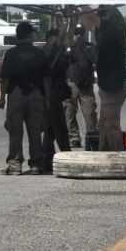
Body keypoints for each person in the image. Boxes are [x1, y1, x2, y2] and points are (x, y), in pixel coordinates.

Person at [0, 21, 49, 175]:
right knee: (35, 131)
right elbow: (46, 78)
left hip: (16, 94)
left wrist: (2, 98)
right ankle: (36, 165)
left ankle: (15, 165)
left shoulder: (11, 54)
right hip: (36, 94)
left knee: (15, 131)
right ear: (31, 35)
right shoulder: (39, 53)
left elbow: (5, 78)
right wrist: (47, 98)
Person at [93, 6, 126, 152]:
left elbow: (91, 21)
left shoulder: (112, 32)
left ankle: (117, 156)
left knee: (110, 124)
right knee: (103, 124)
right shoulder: (111, 33)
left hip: (113, 84)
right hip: (110, 83)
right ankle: (105, 153)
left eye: (103, 15)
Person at [41, 27, 73, 159]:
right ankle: (66, 154)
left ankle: (47, 156)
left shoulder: (54, 51)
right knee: (59, 127)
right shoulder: (51, 52)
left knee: (50, 129)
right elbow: (51, 71)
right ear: (51, 39)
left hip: (53, 93)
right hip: (51, 93)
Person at [64, 25, 98, 149]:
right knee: (69, 113)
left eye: (80, 33)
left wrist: (83, 48)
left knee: (89, 112)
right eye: (76, 33)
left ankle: (92, 136)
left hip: (85, 85)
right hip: (71, 84)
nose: (78, 36)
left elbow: (95, 60)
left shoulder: (89, 47)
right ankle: (74, 138)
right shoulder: (68, 48)